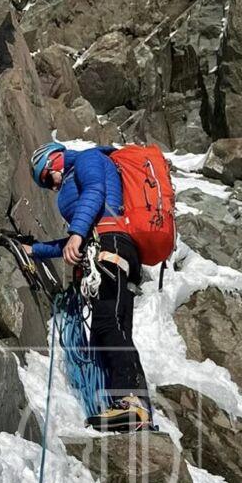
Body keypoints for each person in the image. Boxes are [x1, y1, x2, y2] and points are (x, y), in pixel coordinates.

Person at [24, 143, 153, 431]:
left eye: (46, 178)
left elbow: (95, 191)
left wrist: (76, 234)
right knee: (113, 329)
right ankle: (137, 412)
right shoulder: (81, 182)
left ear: (54, 159)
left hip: (111, 246)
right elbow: (77, 238)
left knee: (108, 324)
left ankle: (130, 401)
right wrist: (36, 250)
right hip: (111, 246)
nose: (50, 187)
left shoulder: (87, 159)